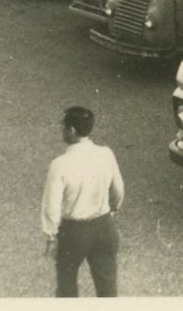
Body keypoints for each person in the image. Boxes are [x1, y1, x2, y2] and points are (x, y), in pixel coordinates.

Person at [41, 106, 124, 298]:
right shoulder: (106, 154)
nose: (61, 130)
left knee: (67, 285)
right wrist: (112, 209)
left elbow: (51, 206)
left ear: (71, 130)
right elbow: (118, 189)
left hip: (73, 232)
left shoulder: (60, 164)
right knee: (107, 288)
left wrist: (50, 236)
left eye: (63, 127)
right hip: (104, 227)